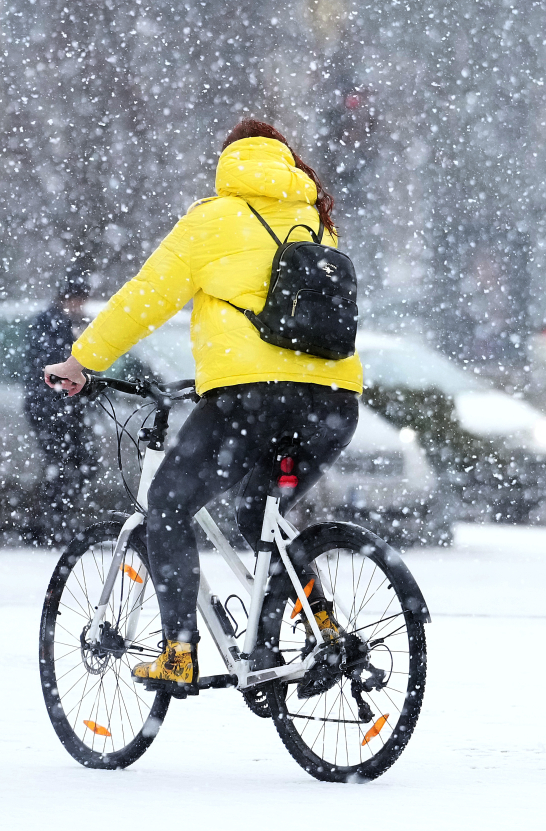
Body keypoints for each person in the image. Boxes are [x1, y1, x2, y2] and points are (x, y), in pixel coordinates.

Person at [42, 119, 362, 697]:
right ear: (286, 163)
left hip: (253, 401)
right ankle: (303, 640)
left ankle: (178, 652)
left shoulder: (213, 220)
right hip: (333, 402)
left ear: (229, 163)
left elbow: (145, 298)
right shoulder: (313, 221)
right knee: (259, 516)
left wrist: (83, 360)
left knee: (166, 503)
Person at [23, 273, 94, 544]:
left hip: (69, 407)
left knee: (76, 464)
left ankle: (54, 520)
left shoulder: (68, 322)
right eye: (77, 299)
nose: (80, 305)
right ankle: (52, 523)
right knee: (61, 466)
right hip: (51, 407)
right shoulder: (50, 324)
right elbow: (47, 365)